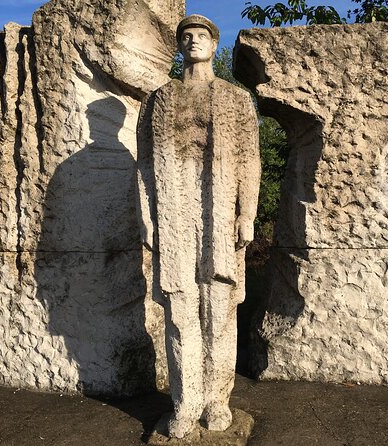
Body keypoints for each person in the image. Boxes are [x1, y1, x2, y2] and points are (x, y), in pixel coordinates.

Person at [136, 14, 260, 439]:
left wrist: (248, 212)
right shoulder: (159, 100)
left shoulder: (235, 98)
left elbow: (250, 159)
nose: (192, 41)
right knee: (180, 311)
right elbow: (145, 166)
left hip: (220, 211)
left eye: (201, 35)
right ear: (178, 46)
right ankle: (185, 403)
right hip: (174, 212)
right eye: (185, 36)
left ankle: (217, 400)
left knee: (219, 310)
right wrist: (148, 217)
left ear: (213, 42)